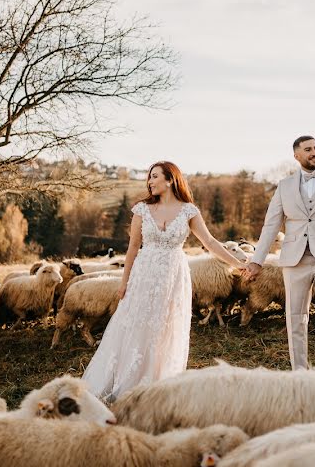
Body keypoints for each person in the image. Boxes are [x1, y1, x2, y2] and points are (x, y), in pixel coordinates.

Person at [83, 160, 246, 402]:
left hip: (173, 276)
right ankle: (126, 380)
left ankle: (157, 380)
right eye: (149, 177)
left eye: (154, 176)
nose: (149, 181)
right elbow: (132, 249)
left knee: (165, 326)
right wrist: (124, 282)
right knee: (136, 324)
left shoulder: (189, 211)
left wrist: (239, 264)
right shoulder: (141, 210)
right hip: (144, 273)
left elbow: (210, 243)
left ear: (170, 180)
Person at [244, 136, 315, 373]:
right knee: (295, 317)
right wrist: (257, 260)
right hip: (294, 260)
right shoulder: (284, 186)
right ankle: (301, 374)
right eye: (308, 149)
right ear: (297, 155)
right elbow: (271, 226)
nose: (314, 152)